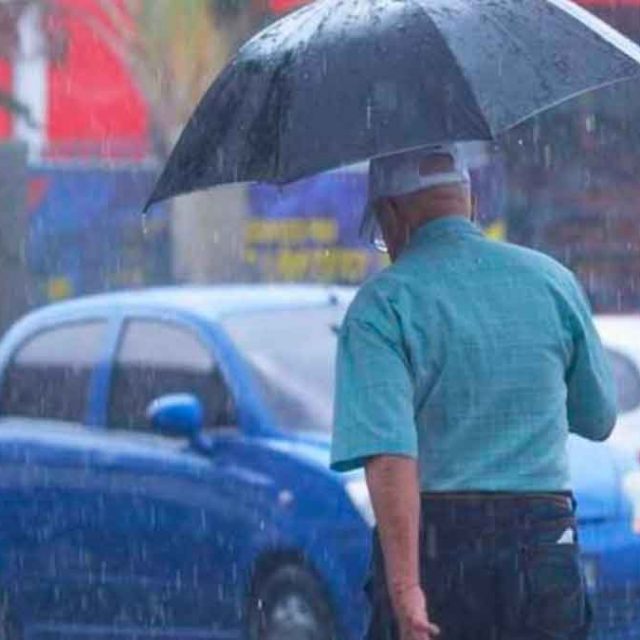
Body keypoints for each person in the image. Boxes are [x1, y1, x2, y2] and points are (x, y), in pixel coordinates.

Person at [330, 144, 617, 640]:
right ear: (470, 203)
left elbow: (388, 455)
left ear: (391, 213)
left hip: (440, 552)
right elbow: (597, 417)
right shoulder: (552, 281)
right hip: (544, 545)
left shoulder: (382, 306)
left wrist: (405, 588)